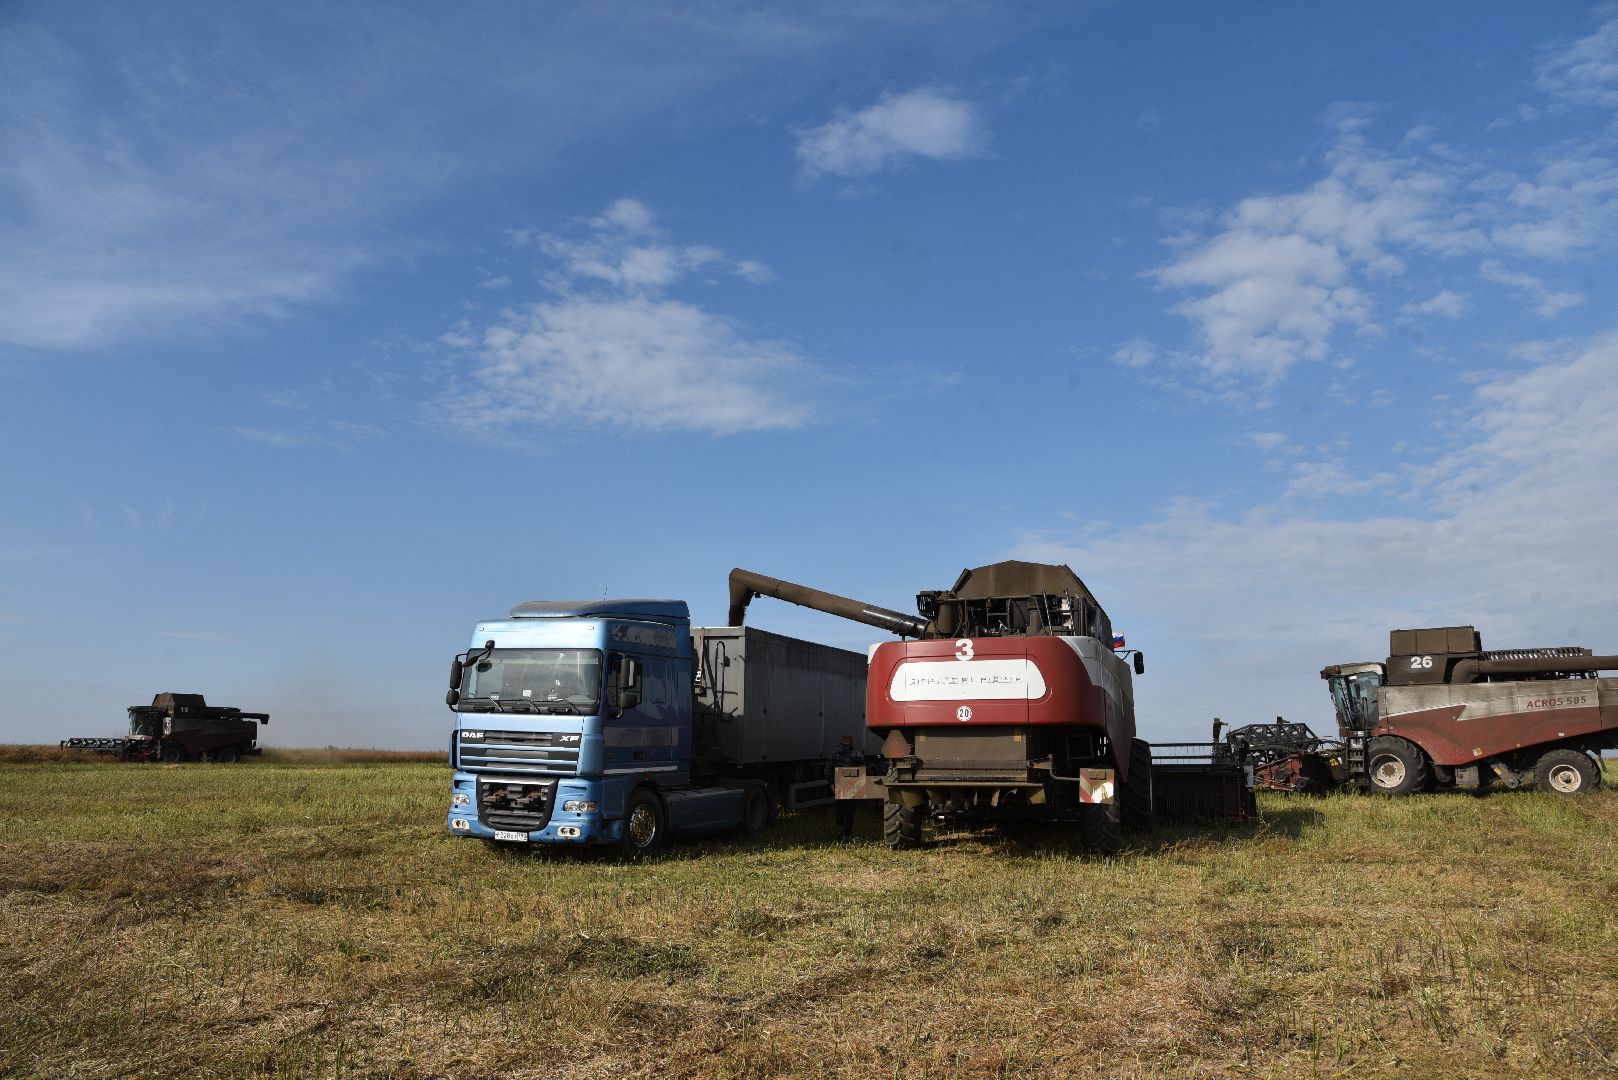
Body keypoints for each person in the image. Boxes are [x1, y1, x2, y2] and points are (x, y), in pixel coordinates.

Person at [828, 734, 864, 842]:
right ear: (851, 743)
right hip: (851, 785)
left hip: (839, 784)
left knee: (840, 808)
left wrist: (831, 783)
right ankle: (846, 834)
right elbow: (862, 770)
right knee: (849, 810)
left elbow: (828, 770)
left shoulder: (834, 754)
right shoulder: (857, 754)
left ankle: (839, 828)